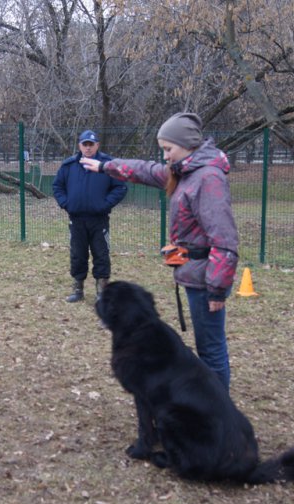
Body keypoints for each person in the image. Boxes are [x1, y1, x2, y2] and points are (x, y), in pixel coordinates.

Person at [80, 113, 238, 390]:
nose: (165, 156)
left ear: (186, 145)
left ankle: (217, 405)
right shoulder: (185, 172)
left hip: (206, 279)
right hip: (194, 273)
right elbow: (145, 170)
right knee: (206, 346)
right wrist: (106, 166)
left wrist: (216, 289)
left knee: (210, 349)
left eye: (168, 149)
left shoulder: (207, 178)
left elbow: (224, 239)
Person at [53, 130, 128, 303]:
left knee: (101, 254)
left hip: (99, 220)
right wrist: (66, 203)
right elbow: (57, 186)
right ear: (79, 145)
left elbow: (120, 187)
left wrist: (105, 204)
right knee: (77, 254)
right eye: (85, 144)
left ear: (97, 145)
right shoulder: (69, 165)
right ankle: (77, 289)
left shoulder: (107, 165)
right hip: (76, 219)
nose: (88, 148)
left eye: (91, 144)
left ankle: (102, 292)